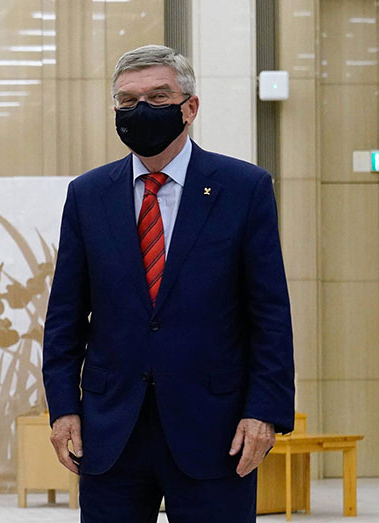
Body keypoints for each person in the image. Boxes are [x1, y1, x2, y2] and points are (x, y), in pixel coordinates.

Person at [43, 45, 295, 522]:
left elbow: (270, 316)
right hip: (110, 430)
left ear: (190, 107)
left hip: (217, 431)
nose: (141, 111)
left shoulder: (244, 188)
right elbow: (65, 319)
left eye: (159, 98)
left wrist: (264, 412)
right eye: (127, 100)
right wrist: (62, 410)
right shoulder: (87, 195)